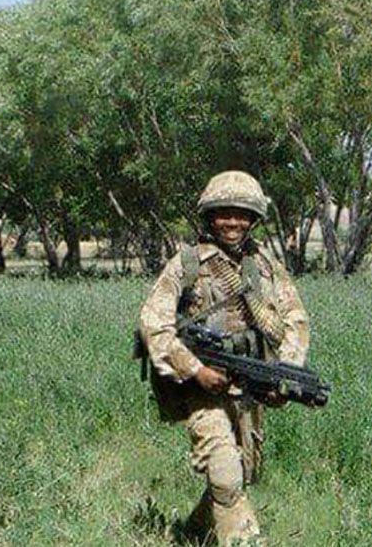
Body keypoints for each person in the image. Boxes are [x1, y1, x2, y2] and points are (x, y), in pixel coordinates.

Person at [138, 170, 310, 545]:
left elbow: (295, 319)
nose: (232, 222)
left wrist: (285, 374)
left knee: (241, 472)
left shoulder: (264, 265)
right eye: (223, 213)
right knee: (225, 470)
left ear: (253, 219)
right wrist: (196, 370)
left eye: (241, 214)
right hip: (199, 385)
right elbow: (153, 325)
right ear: (209, 216)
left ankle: (194, 532)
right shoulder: (186, 264)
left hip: (246, 384)